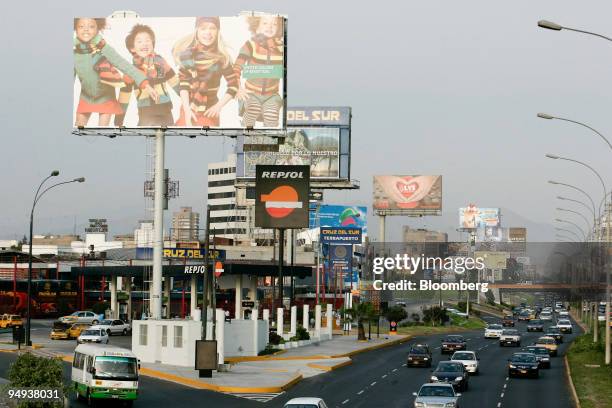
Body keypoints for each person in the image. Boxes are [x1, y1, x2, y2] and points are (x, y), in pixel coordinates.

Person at [73, 18, 158, 126]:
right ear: (75, 28)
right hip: (85, 97)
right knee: (79, 127)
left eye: (91, 26)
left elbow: (124, 65)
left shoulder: (103, 48)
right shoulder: (74, 53)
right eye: (81, 26)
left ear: (98, 29)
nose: (86, 30)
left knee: (102, 131)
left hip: (106, 97)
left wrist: (146, 85)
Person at [173, 17, 239, 127]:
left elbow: (233, 85)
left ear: (217, 31)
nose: (208, 32)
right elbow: (183, 85)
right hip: (188, 107)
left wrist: (218, 106)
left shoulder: (222, 58)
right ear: (197, 31)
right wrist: (187, 111)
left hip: (209, 110)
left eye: (212, 28)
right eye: (203, 28)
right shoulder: (188, 56)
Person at [116, 24, 179, 126]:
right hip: (145, 112)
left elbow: (174, 81)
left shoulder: (160, 62)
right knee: (145, 138)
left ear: (153, 44)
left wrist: (190, 100)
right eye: (139, 41)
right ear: (132, 48)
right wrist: (119, 119)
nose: (144, 44)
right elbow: (124, 96)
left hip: (166, 110)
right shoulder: (131, 70)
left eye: (147, 40)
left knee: (167, 137)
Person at [234, 15, 284, 128]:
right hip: (251, 93)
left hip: (272, 95)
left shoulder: (282, 48)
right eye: (265, 23)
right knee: (253, 109)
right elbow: (236, 67)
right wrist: (238, 88)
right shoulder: (250, 45)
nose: (270, 26)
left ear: (279, 28)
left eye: (274, 24)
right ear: (256, 27)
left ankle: (268, 141)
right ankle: (246, 131)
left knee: (271, 115)